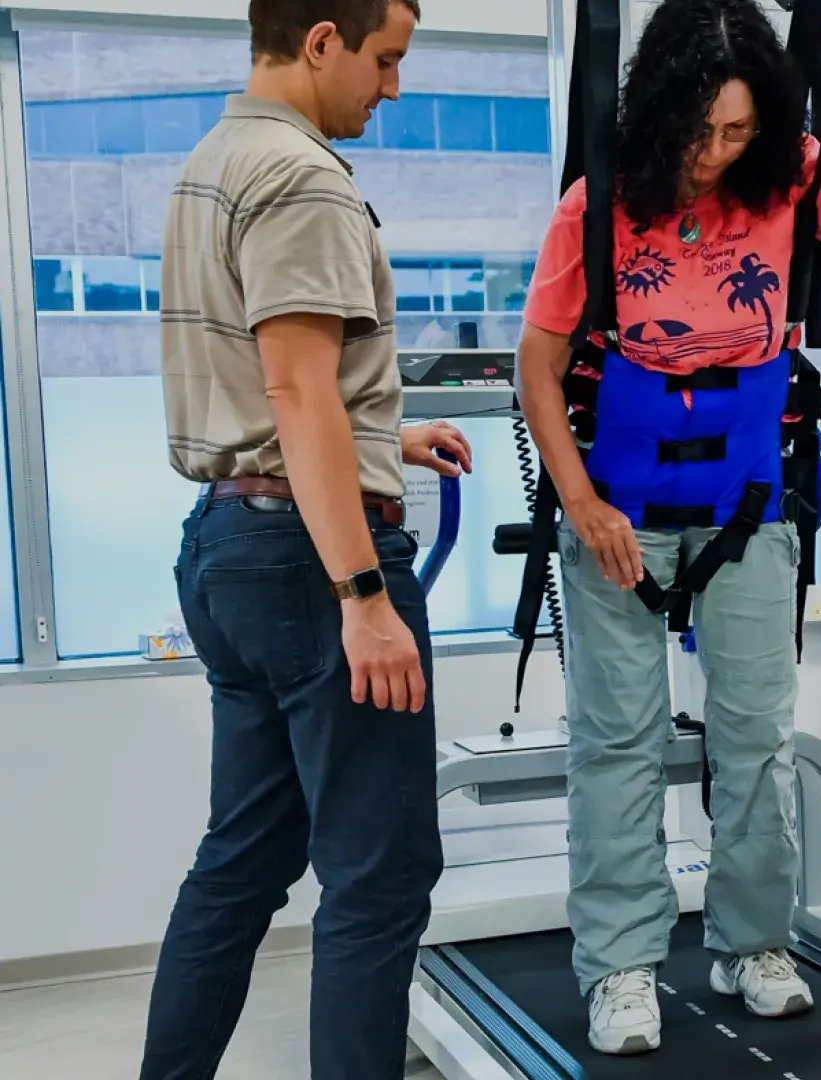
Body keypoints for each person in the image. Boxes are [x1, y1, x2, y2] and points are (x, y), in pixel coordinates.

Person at [514, 0, 821, 1056]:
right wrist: (582, 504)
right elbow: (537, 368)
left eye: (739, 130)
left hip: (749, 501)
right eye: (701, 130)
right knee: (618, 743)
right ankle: (620, 966)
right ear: (661, 110)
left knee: (755, 737)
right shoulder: (597, 203)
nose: (716, 152)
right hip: (620, 504)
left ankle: (753, 944)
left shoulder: (789, 177)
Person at [142, 2, 474, 1079]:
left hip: (227, 545)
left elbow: (271, 382)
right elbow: (294, 390)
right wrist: (362, 596)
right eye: (386, 60)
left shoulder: (213, 160)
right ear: (322, 40)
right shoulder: (303, 176)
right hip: (309, 564)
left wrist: (383, 436)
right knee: (378, 879)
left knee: (241, 863)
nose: (393, 88)